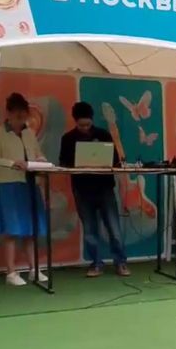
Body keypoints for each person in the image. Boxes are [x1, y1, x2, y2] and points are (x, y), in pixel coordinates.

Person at [59, 101, 129, 278]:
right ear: (75, 121)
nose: (85, 128)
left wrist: (105, 163)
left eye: (87, 124)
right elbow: (63, 163)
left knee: (114, 227)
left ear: (92, 120)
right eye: (81, 125)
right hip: (82, 189)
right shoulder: (67, 139)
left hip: (104, 187)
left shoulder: (103, 135)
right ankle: (96, 263)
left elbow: (115, 161)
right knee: (90, 229)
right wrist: (77, 164)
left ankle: (120, 262)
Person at [0, 92, 48, 286]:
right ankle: (11, 272)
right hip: (8, 185)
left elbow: (37, 153)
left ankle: (34, 269)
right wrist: (13, 163)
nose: (21, 119)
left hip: (29, 183)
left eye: (24, 115)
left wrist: (41, 160)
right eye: (17, 115)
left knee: (31, 229)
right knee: (12, 230)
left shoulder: (29, 132)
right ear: (9, 113)